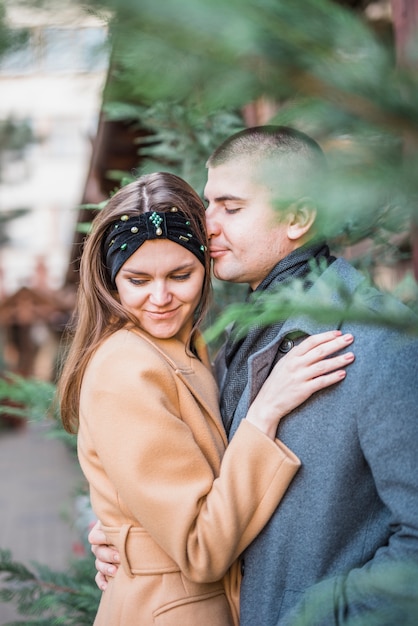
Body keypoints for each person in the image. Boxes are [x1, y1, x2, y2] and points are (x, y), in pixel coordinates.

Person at [91, 127, 418, 625]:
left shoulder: (377, 340)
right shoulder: (232, 340)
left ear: (298, 217)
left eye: (231, 207)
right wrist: (138, 537)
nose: (208, 225)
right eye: (208, 204)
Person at [59, 171, 355, 626]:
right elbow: (201, 548)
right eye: (138, 279)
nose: (161, 297)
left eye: (181, 275)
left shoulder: (183, 348)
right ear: (111, 281)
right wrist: (267, 410)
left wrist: (129, 531)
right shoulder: (127, 368)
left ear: (205, 266)